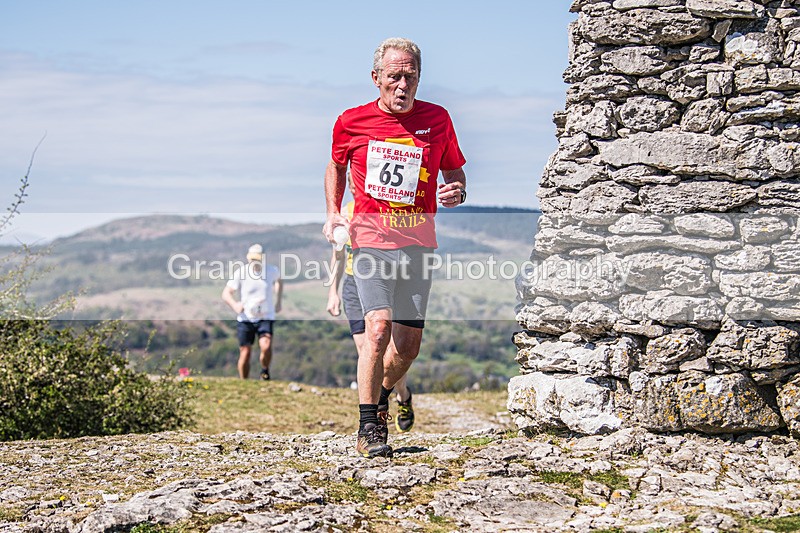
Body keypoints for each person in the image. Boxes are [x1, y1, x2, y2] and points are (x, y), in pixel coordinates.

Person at [323, 37, 468, 457]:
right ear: (376, 79)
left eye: (411, 76)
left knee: (407, 348)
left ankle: (383, 395)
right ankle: (369, 426)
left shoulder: (438, 119)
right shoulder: (352, 121)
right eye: (394, 77)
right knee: (378, 328)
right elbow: (335, 163)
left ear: (419, 77)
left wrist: (456, 189)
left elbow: (455, 170)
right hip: (370, 241)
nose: (403, 85)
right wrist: (334, 212)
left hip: (418, 244)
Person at [327, 176, 415, 434]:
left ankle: (403, 395)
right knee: (369, 348)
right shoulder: (347, 213)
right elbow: (338, 255)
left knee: (391, 353)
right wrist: (333, 291)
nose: (355, 186)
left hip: (385, 282)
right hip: (355, 284)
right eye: (351, 181)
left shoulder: (387, 210)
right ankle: (375, 416)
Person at [222, 244, 283, 380]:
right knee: (245, 352)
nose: (254, 262)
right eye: (252, 259)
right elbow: (226, 293)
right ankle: (244, 381)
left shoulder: (271, 271)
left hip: (265, 316)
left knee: (266, 346)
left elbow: (279, 280)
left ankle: (264, 371)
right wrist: (235, 305)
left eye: (257, 259)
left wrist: (278, 301)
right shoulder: (241, 273)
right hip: (246, 318)